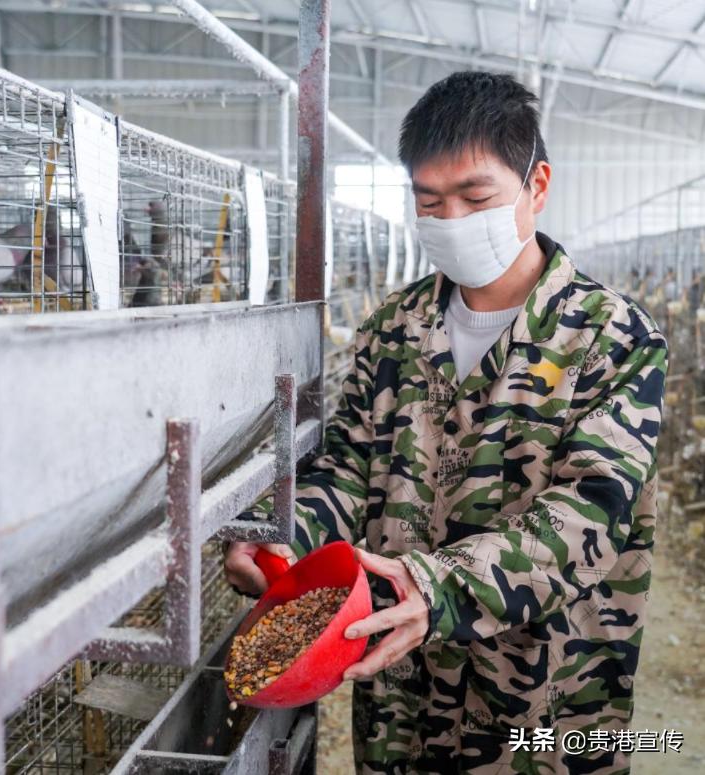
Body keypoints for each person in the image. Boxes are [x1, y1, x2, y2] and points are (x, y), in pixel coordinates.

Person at [224, 71, 668, 773]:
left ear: (536, 185)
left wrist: (434, 587)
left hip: (544, 689)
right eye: (429, 201)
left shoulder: (610, 337)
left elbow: (590, 511)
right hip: (406, 697)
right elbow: (346, 466)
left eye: (475, 197)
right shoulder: (391, 329)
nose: (451, 219)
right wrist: (284, 535)